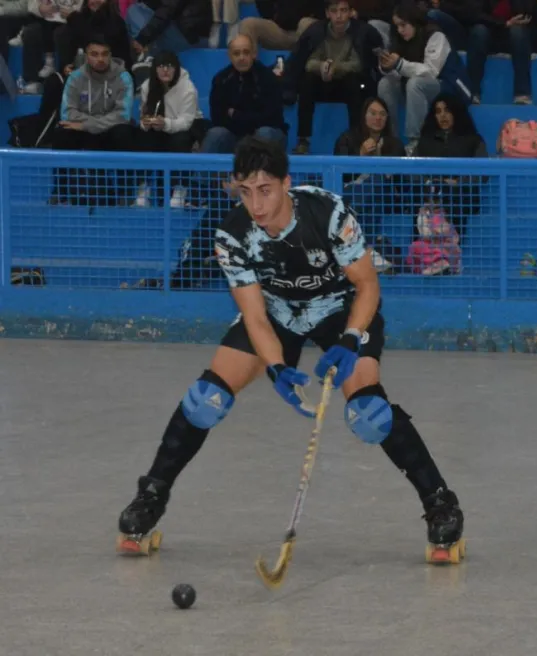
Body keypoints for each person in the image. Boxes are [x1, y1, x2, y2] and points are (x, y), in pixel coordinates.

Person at [116, 136, 465, 563]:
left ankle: (440, 503)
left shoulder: (327, 212)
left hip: (342, 309)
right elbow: (256, 317)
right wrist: (278, 368)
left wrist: (352, 338)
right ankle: (150, 497)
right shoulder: (232, 234)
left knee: (369, 415)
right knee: (204, 401)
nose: (256, 205)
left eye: (265, 190)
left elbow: (367, 284)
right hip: (278, 313)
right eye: (245, 192)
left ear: (286, 183)